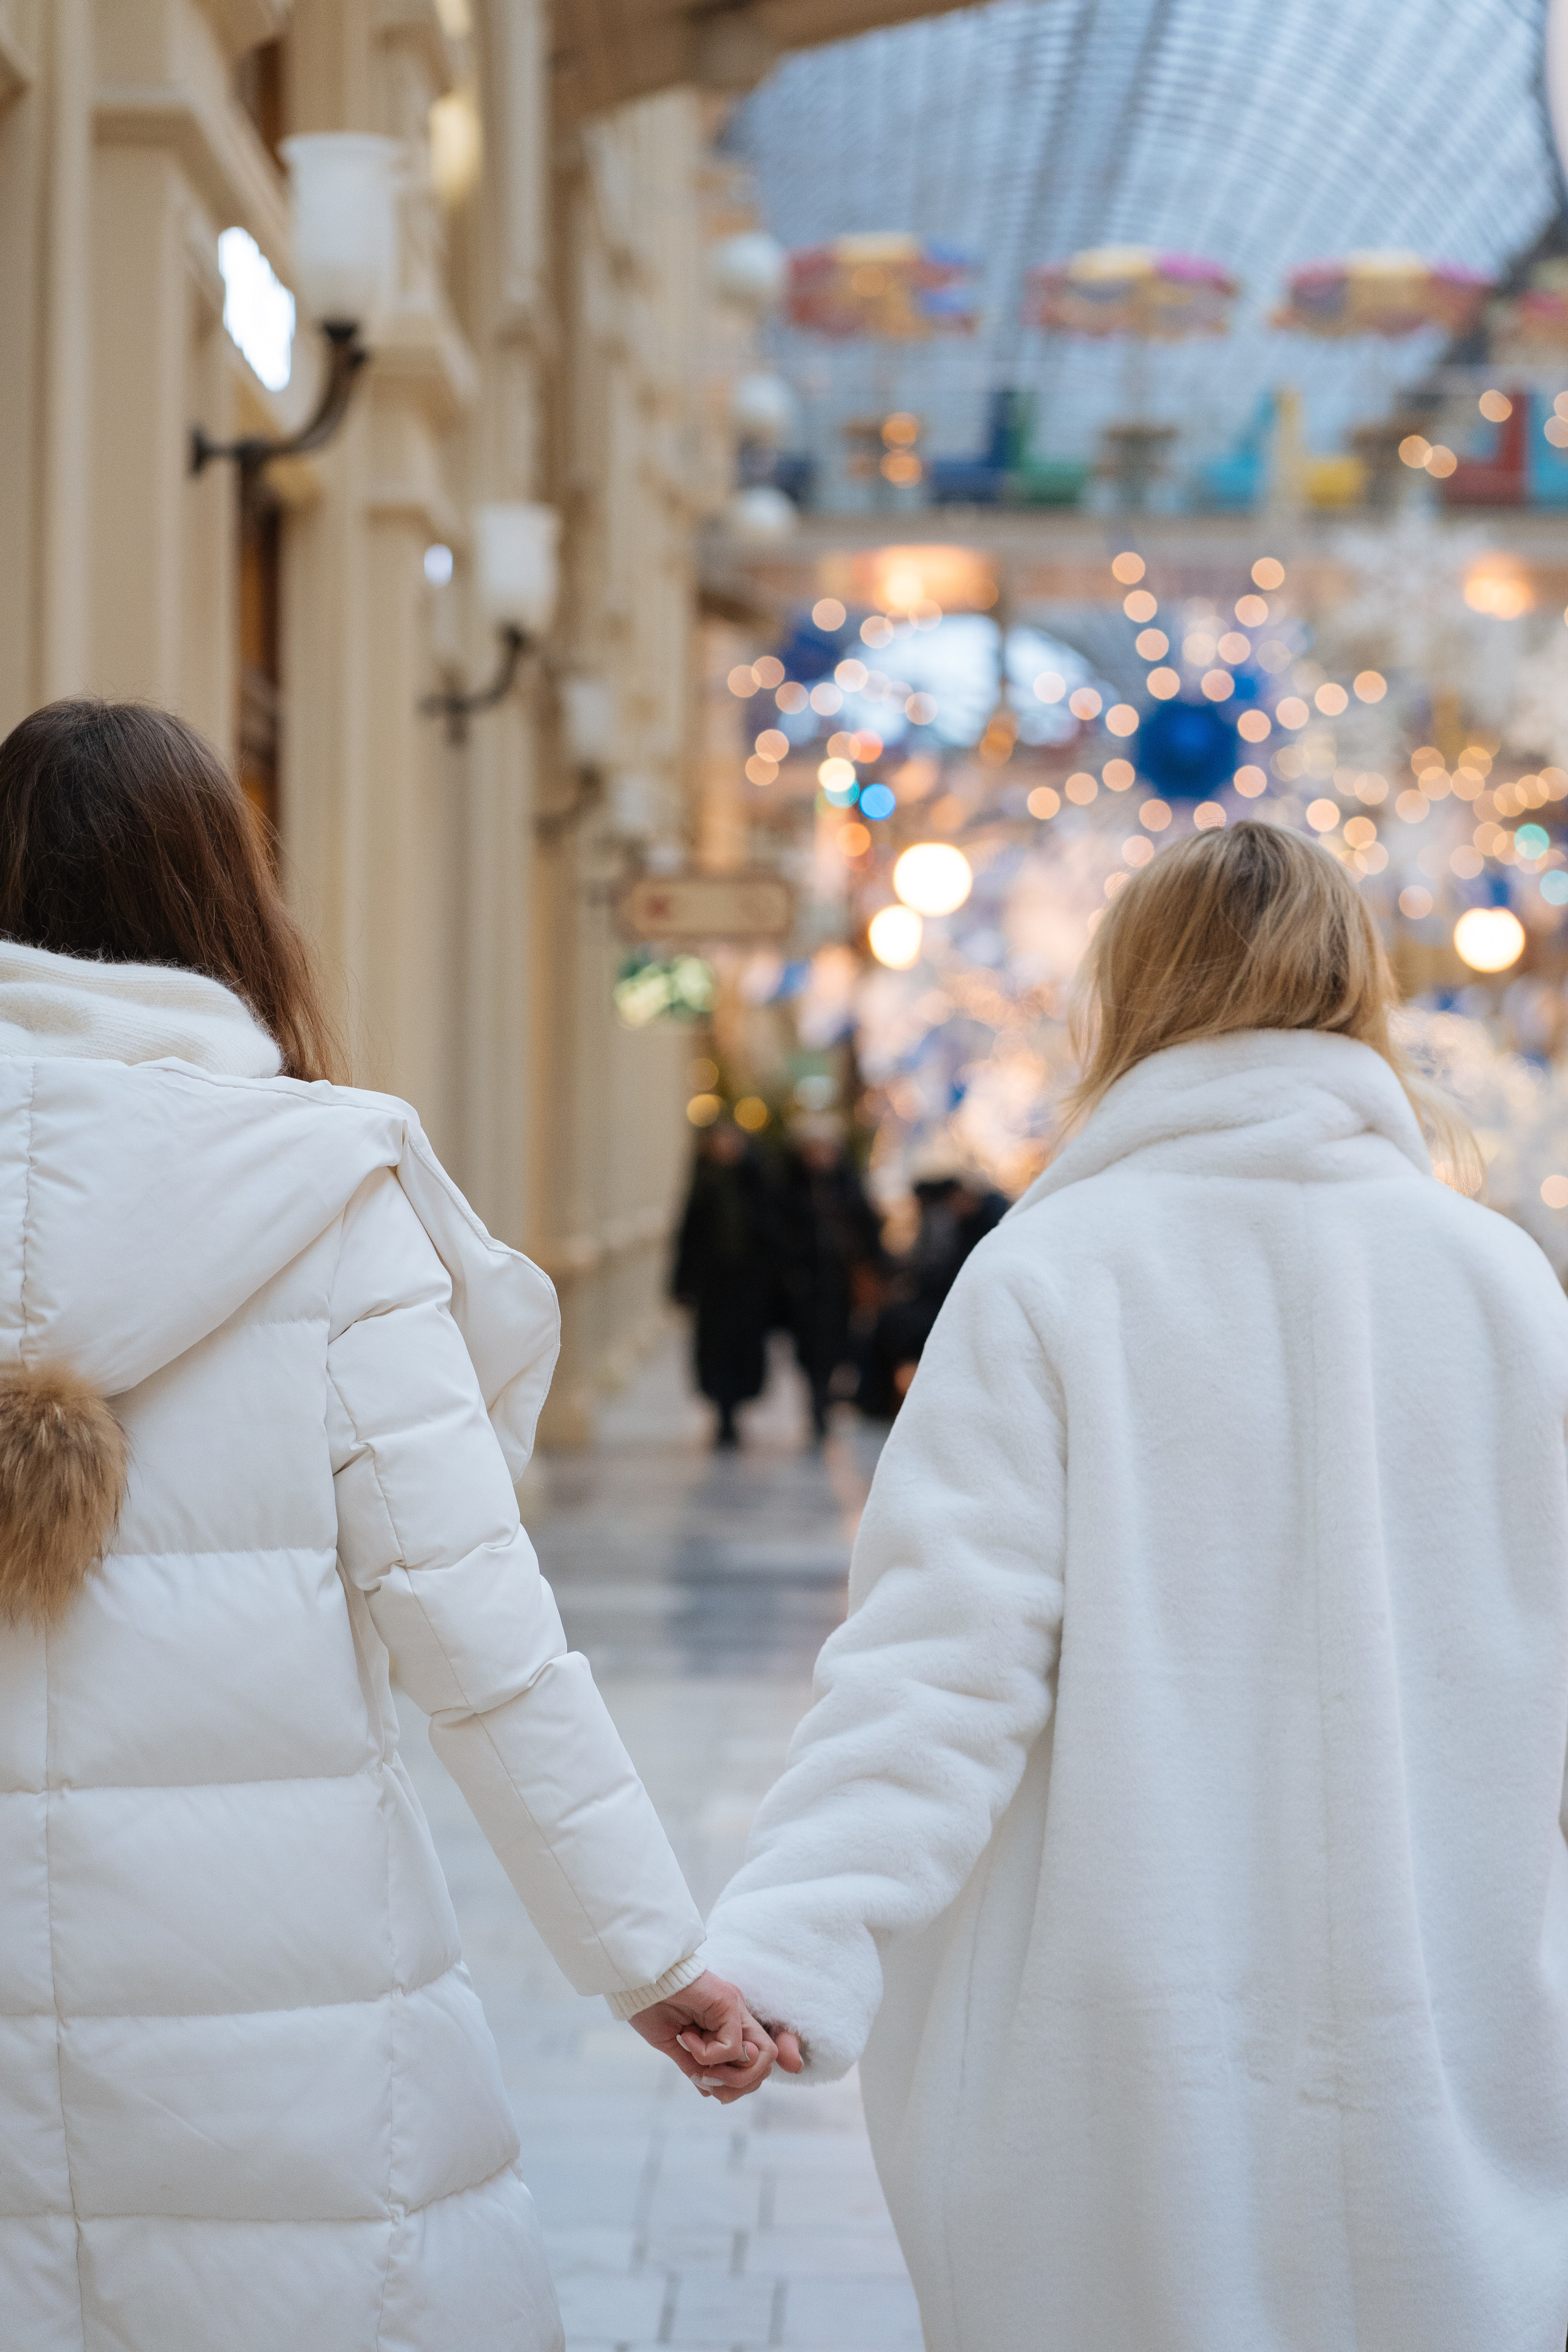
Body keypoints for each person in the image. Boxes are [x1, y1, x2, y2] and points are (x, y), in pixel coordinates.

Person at [701, 820, 1568, 2352]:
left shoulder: (1052, 1274)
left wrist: (787, 1939)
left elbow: (933, 1668)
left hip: (1119, 2062)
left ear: (1130, 993)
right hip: (1446, 2039)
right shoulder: (1494, 1281)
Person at [0, 699, 776, 2352]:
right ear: (224, 901)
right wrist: (650, 1950)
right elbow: (481, 1642)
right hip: (264, 2000)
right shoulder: (322, 1200)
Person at [773, 1114, 883, 1441]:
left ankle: (826, 1399)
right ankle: (818, 1405)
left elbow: (868, 1231)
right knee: (809, 1350)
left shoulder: (849, 1187)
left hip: (840, 1283)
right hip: (804, 1284)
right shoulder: (789, 1189)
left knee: (839, 1345)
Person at [671, 1117, 776, 1446]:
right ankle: (722, 1413)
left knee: (744, 1349)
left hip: (748, 1283)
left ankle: (736, 1410)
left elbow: (773, 1231)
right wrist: (682, 1285)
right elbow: (688, 1236)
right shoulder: (703, 1182)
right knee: (715, 1350)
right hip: (714, 1285)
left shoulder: (757, 1181)